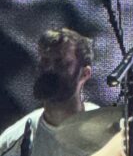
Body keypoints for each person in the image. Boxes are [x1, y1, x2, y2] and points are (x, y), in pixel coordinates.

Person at [0, 28, 124, 156]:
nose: (50, 69)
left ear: (85, 74)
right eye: (45, 61)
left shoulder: (111, 133)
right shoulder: (14, 141)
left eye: (61, 63)